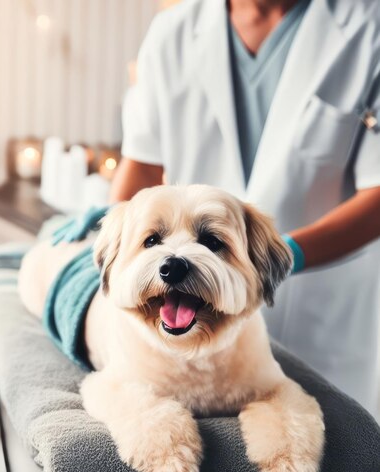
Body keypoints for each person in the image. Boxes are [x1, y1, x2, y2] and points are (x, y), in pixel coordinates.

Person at [106, 0, 380, 415]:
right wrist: (114, 237)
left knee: (328, 449)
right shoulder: (172, 33)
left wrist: (279, 257)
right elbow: (141, 166)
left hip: (323, 315)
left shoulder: (367, 26)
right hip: (190, 320)